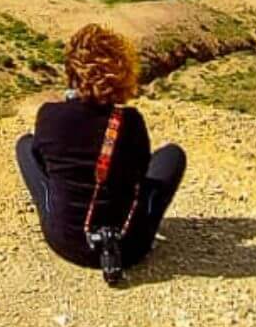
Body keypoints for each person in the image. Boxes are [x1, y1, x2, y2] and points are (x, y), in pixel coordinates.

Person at [16, 24, 185, 282]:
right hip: (130, 245)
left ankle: (59, 205)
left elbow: (41, 159)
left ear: (72, 71)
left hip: (65, 241)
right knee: (173, 155)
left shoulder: (50, 115)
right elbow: (140, 173)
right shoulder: (130, 122)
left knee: (25, 145)